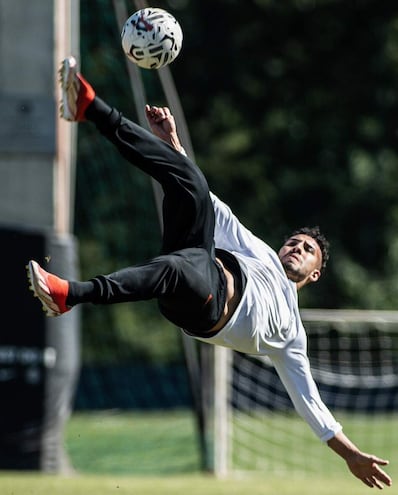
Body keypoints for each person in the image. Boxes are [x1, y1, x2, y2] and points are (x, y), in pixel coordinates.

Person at [27, 56, 392, 489]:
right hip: (198, 262)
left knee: (181, 265)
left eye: (308, 250)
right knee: (191, 182)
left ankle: (72, 294)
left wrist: (349, 455)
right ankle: (90, 107)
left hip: (209, 303)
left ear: (314, 274)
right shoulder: (255, 249)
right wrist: (174, 143)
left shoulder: (293, 333)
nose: (297, 247)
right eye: (294, 241)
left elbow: (310, 403)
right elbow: (211, 205)